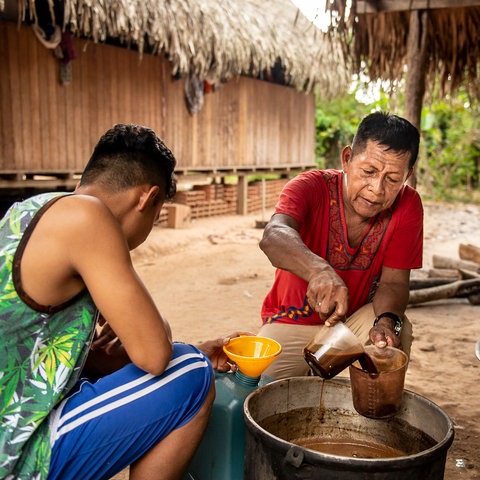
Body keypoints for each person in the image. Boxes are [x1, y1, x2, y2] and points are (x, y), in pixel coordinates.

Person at [0, 123, 244, 480]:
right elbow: (157, 355)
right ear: (147, 199)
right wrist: (181, 350)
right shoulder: (88, 217)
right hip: (17, 453)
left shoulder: (28, 212)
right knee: (192, 371)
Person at [257, 112, 423, 380]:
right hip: (290, 322)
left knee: (393, 335)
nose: (377, 189)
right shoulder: (310, 186)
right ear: (347, 159)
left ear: (408, 175)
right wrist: (319, 270)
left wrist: (386, 321)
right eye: (368, 172)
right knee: (260, 391)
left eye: (392, 179)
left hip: (352, 326)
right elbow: (274, 235)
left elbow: (394, 283)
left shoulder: (408, 205)